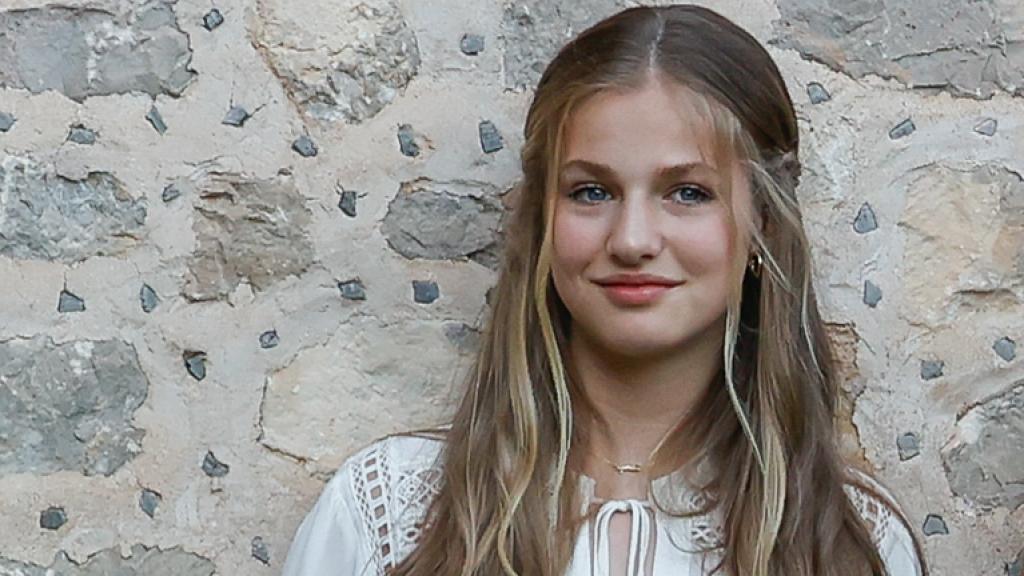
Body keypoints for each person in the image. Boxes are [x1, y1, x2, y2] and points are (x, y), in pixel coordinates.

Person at [281, 5, 928, 575]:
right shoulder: (391, 513)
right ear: (542, 218)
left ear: (760, 220)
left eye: (688, 192)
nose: (633, 239)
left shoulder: (847, 544)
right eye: (592, 191)